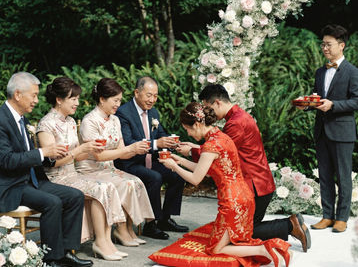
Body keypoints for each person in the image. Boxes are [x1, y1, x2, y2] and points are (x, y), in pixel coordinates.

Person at [177, 84, 311, 251]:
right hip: (256, 182)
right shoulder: (238, 117)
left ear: (217, 103)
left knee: (243, 234)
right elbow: (215, 151)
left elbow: (217, 154)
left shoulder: (235, 124)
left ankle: (289, 225)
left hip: (254, 186)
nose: (206, 114)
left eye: (207, 108)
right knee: (238, 231)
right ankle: (289, 224)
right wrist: (194, 149)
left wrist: (190, 152)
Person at [160, 102, 292, 267]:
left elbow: (195, 179)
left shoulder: (210, 145)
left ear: (197, 124)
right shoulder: (221, 136)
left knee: (216, 249)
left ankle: (266, 249)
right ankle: (268, 249)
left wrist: (173, 167)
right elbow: (206, 169)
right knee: (232, 242)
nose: (188, 133)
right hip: (245, 196)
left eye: (188, 129)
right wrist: (180, 160)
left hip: (232, 202)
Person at [0, 72, 93, 267]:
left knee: (75, 196)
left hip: (31, 179)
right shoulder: (2, 119)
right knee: (52, 202)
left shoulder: (22, 119)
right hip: (12, 185)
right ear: (18, 94)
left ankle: (66, 252)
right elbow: (6, 160)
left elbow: (31, 154)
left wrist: (51, 156)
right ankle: (51, 259)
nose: (36, 100)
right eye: (33, 95)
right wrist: (42, 152)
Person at [37, 77, 131, 261]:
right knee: (100, 188)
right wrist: (80, 150)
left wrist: (89, 150)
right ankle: (101, 243)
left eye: (77, 99)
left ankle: (105, 241)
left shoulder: (71, 122)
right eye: (73, 99)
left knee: (107, 186)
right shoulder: (45, 124)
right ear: (59, 99)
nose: (77, 103)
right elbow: (51, 163)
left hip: (73, 174)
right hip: (55, 178)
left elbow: (78, 156)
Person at [77, 78, 155, 246]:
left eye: (119, 100)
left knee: (134, 181)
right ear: (102, 99)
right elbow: (99, 156)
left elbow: (121, 152)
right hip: (90, 170)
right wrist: (129, 149)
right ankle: (120, 230)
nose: (118, 104)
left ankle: (127, 228)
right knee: (125, 183)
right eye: (115, 100)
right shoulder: (89, 121)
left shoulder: (115, 120)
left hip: (108, 168)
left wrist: (135, 149)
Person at [297, 24, 358, 233]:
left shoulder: (352, 72)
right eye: (322, 44)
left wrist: (334, 105)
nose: (324, 48)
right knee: (324, 175)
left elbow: (356, 101)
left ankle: (341, 218)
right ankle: (326, 216)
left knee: (343, 176)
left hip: (342, 132)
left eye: (328, 44)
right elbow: (317, 96)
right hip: (322, 130)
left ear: (341, 46)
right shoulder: (320, 71)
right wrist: (307, 104)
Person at [115, 76, 188, 240]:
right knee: (155, 177)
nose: (152, 100)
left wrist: (172, 143)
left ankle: (165, 218)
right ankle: (150, 223)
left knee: (176, 174)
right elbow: (128, 143)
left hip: (150, 160)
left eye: (155, 96)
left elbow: (160, 134)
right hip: (129, 162)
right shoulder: (123, 113)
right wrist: (156, 143)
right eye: (149, 95)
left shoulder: (153, 112)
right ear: (137, 92)